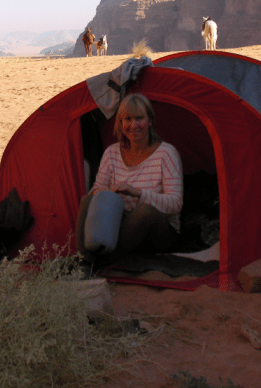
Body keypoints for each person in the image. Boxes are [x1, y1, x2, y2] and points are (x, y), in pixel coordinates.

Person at [76, 93, 183, 268]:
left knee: (145, 211)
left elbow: (176, 203)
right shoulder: (112, 153)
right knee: (87, 199)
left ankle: (101, 262)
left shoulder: (166, 153)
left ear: (149, 121)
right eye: (127, 119)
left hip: (159, 232)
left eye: (139, 118)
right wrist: (104, 194)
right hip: (120, 225)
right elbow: (98, 187)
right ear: (120, 123)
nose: (134, 125)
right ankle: (84, 263)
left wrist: (137, 193)